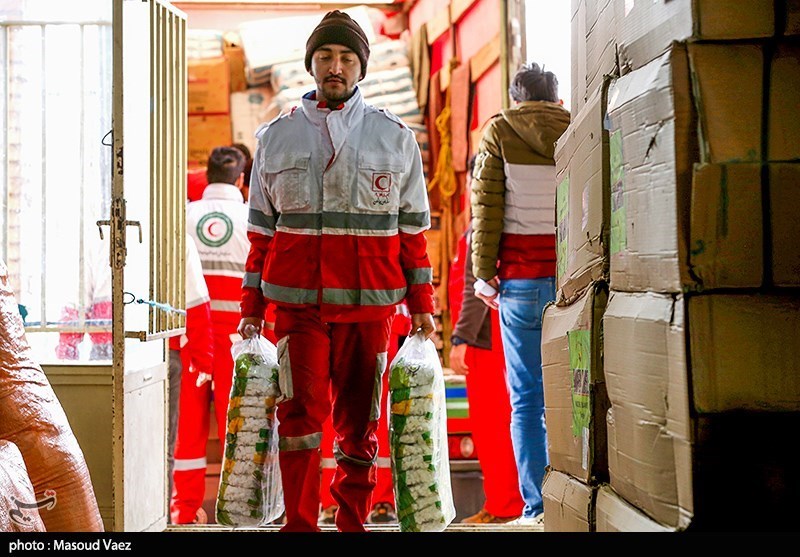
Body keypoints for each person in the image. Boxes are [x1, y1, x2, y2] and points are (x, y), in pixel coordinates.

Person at [237, 10, 435, 533]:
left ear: (361, 68)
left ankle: (352, 525)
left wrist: (423, 309)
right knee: (299, 420)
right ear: (311, 64)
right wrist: (251, 309)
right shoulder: (276, 139)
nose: (335, 66)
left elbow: (412, 233)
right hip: (298, 306)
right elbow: (261, 234)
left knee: (359, 426)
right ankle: (299, 526)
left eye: (347, 58)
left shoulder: (395, 139)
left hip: (371, 308)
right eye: (325, 56)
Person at [469, 62, 570, 526]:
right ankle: (580, 498)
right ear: (557, 98)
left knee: (528, 400)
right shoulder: (580, 126)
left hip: (521, 286)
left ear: (516, 98)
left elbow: (487, 210)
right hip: (575, 284)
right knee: (577, 393)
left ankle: (536, 508)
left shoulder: (499, 133)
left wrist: (483, 275)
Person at [171, 146, 253, 524]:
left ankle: (184, 509)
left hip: (190, 335)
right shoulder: (252, 218)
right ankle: (235, 508)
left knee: (187, 426)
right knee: (235, 425)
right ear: (241, 180)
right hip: (238, 338)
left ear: (205, 178)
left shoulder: (183, 217)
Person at [448, 170, 524, 524]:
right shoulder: (491, 224)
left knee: (494, 426)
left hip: (485, 340)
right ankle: (504, 502)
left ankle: (504, 505)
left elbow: (476, 289)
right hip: (493, 338)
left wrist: (461, 339)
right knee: (498, 423)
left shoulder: (484, 227)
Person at [167, 234, 214, 524]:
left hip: (106, 348)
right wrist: (204, 358)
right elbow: (195, 302)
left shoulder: (98, 229)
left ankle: (180, 510)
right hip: (169, 350)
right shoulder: (173, 230)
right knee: (171, 440)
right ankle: (166, 516)